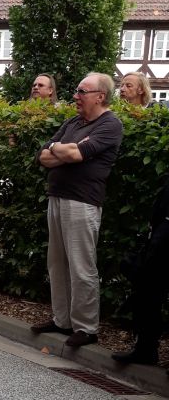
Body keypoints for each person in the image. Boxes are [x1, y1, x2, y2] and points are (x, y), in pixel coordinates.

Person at [31, 73, 123, 347]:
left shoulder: (110, 124)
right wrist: (60, 149)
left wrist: (64, 151)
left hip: (83, 202)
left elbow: (75, 154)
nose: (75, 96)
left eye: (82, 92)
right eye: (76, 91)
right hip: (57, 196)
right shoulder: (73, 122)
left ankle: (86, 327)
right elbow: (43, 156)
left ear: (100, 96)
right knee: (57, 263)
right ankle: (62, 320)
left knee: (82, 266)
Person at [112, 176, 169, 366]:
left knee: (150, 293)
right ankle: (145, 349)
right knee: (148, 294)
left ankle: (146, 349)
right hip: (160, 239)